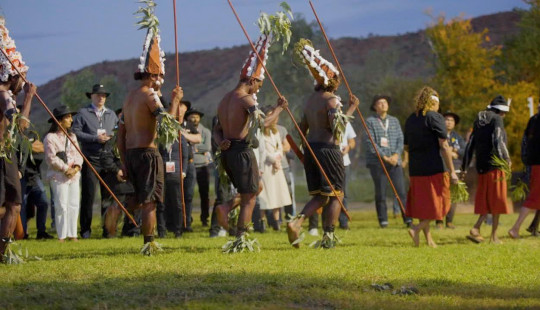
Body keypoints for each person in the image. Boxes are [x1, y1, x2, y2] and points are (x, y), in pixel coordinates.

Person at [213, 34, 287, 246]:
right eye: (259, 85)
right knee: (249, 197)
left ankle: (228, 210)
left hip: (228, 152)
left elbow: (217, 129)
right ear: (252, 80)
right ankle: (239, 235)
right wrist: (280, 108)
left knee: (255, 189)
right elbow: (263, 124)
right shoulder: (245, 99)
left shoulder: (225, 99)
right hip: (241, 153)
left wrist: (221, 143)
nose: (258, 89)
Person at [117, 12, 183, 248]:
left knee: (138, 198)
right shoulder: (149, 95)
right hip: (147, 154)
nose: (161, 81)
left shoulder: (129, 98)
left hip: (133, 154)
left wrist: (124, 162)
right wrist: (175, 101)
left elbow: (120, 135)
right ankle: (149, 244)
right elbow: (168, 125)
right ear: (153, 74)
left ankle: (116, 213)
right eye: (160, 76)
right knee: (150, 202)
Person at [286, 39, 359, 248]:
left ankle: (297, 222)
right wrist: (352, 108)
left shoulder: (310, 101)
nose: (339, 83)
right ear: (331, 79)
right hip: (328, 151)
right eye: (336, 79)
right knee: (336, 194)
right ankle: (327, 237)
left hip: (312, 149)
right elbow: (338, 127)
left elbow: (301, 129)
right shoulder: (332, 100)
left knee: (320, 196)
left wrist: (305, 151)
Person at [0, 16, 37, 258]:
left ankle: (3, 250)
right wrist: (30, 97)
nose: (22, 83)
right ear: (11, 76)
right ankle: (2, 251)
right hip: (3, 156)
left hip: (7, 155)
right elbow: (20, 126)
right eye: (20, 77)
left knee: (12, 204)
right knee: (12, 204)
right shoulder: (3, 95)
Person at [404, 86, 458, 247]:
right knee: (441, 203)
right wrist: (452, 171)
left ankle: (428, 239)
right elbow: (444, 145)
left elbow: (406, 146)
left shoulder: (411, 119)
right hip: (433, 167)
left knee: (422, 205)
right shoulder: (435, 117)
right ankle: (416, 228)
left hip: (415, 168)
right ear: (434, 103)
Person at [462, 95, 511, 244]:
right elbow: (498, 140)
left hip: (482, 168)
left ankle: (476, 228)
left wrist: (465, 165)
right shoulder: (497, 119)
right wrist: (506, 159)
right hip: (496, 167)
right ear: (501, 111)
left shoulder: (479, 120)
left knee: (486, 200)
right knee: (497, 201)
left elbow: (471, 144)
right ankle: (494, 236)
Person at [72, 84, 118, 239]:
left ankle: (108, 230)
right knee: (88, 196)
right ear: (91, 96)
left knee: (108, 196)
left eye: (103, 95)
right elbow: (76, 132)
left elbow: (117, 132)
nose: (101, 98)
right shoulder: (82, 113)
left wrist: (112, 138)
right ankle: (85, 231)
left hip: (108, 159)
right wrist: (95, 138)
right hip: (90, 159)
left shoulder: (112, 114)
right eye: (98, 95)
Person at [365, 95, 411, 228]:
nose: (383, 105)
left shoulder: (394, 121)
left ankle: (407, 218)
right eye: (380, 103)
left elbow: (400, 139)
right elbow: (370, 142)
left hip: (395, 161)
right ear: (375, 107)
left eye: (385, 102)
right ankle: (383, 220)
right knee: (381, 192)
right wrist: (385, 157)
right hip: (378, 162)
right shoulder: (370, 121)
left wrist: (396, 155)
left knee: (401, 191)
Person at [43, 106, 83, 242]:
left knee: (74, 204)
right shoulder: (50, 137)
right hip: (59, 176)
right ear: (59, 121)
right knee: (61, 205)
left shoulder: (72, 136)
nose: (71, 120)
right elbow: (51, 158)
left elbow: (78, 154)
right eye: (68, 117)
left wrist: (76, 168)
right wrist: (66, 169)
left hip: (74, 176)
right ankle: (62, 235)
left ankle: (72, 234)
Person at [157, 99, 189, 238]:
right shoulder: (160, 137)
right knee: (161, 203)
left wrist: (184, 171)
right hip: (162, 171)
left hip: (176, 172)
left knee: (177, 203)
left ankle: (178, 230)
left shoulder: (180, 136)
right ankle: (162, 231)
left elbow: (185, 156)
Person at [258, 105, 292, 231]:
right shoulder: (260, 132)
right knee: (265, 195)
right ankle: (262, 222)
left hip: (277, 167)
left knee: (277, 194)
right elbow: (262, 151)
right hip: (266, 167)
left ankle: (277, 221)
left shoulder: (276, 131)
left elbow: (281, 147)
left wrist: (278, 158)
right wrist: (273, 160)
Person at [508, 108, 540, 238]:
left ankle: (532, 227)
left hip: (533, 163)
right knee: (534, 197)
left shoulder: (533, 120)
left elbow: (525, 142)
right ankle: (515, 228)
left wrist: (526, 160)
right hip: (538, 164)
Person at [18, 125, 54, 240]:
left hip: (34, 175)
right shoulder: (13, 136)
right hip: (20, 176)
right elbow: (15, 152)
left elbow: (42, 149)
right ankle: (22, 234)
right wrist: (29, 147)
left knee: (43, 203)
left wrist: (25, 148)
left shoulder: (32, 134)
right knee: (22, 206)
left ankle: (41, 232)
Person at [435, 111, 466, 229]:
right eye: (446, 119)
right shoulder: (437, 136)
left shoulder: (457, 137)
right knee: (440, 196)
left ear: (454, 123)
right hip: (441, 168)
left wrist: (455, 151)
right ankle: (439, 221)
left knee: (453, 196)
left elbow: (465, 152)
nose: (448, 122)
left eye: (451, 120)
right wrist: (448, 153)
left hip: (456, 169)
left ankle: (449, 221)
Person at [187, 108, 213, 227]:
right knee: (189, 193)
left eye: (196, 117)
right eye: (192, 116)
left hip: (203, 165)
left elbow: (207, 147)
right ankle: (188, 218)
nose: (194, 119)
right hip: (189, 165)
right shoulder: (184, 130)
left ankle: (205, 218)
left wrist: (192, 146)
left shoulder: (206, 131)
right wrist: (198, 147)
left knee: (204, 193)